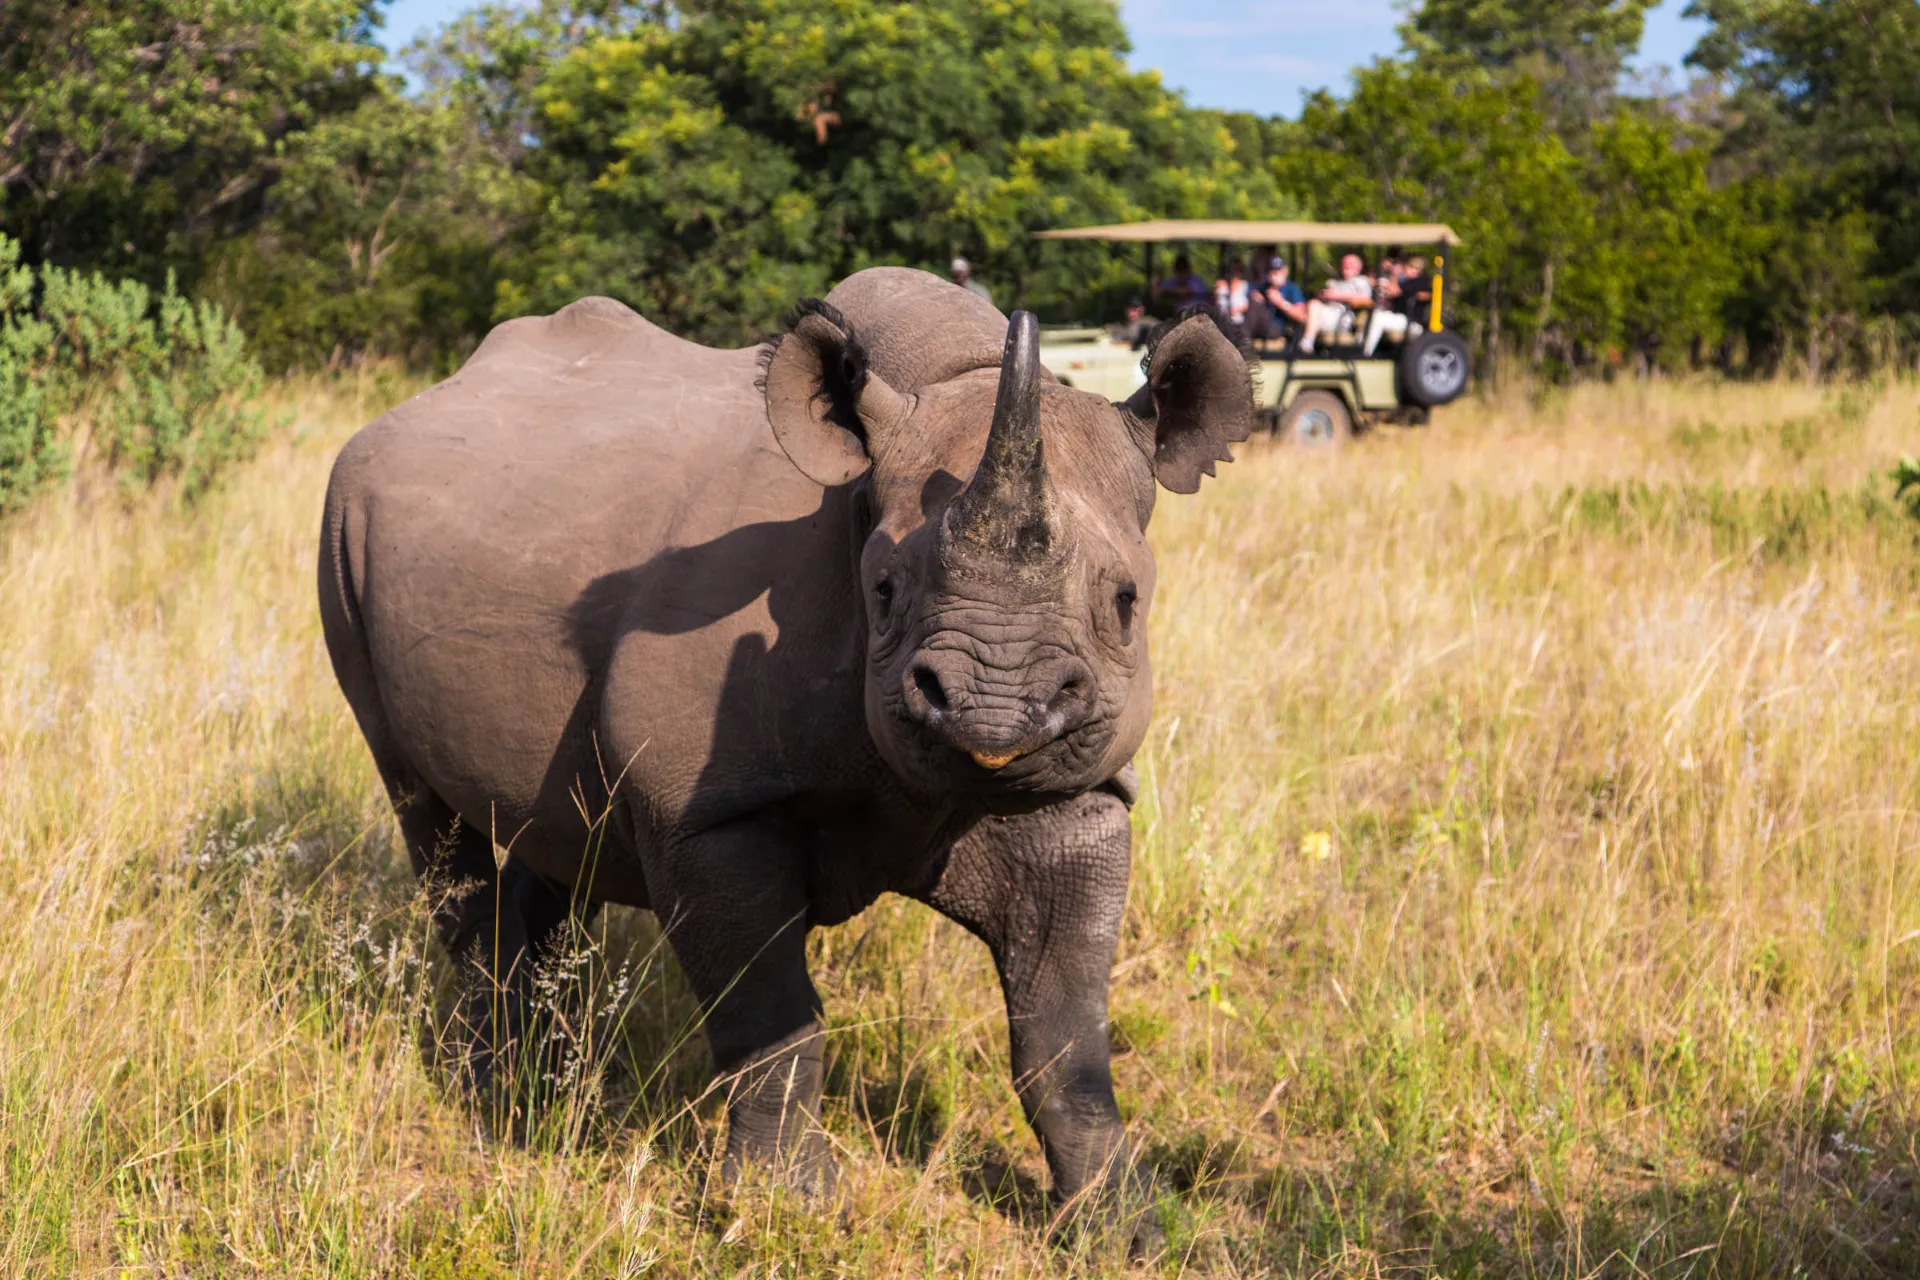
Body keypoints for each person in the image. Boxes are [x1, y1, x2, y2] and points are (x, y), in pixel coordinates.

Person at [1299, 252, 1373, 354]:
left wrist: (1337, 296)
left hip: (1341, 318)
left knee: (1312, 306)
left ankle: (1307, 342)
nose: (1346, 266)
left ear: (1358, 267)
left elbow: (1365, 299)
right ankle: (1299, 345)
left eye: (1350, 264)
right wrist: (1324, 295)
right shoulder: (1334, 281)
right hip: (1324, 313)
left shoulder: (1361, 281)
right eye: (1344, 263)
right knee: (1302, 309)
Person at [1363, 254, 1433, 356]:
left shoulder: (1420, 281)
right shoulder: (1407, 281)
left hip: (1413, 323)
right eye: (1409, 267)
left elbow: (1395, 291)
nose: (1411, 270)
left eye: (1415, 268)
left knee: (1378, 318)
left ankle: (1366, 354)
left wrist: (1393, 274)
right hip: (1403, 319)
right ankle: (1364, 349)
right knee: (1374, 314)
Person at [1246, 258, 1305, 345]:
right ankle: (1244, 340)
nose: (1274, 275)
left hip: (1278, 328)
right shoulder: (1263, 287)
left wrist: (1280, 303)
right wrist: (1255, 297)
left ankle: (1244, 342)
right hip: (1258, 325)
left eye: (1277, 272)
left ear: (1285, 271)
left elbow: (1301, 316)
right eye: (1272, 271)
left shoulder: (1292, 288)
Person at [1214, 258, 1252, 330]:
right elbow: (1214, 300)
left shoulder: (1246, 285)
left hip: (1239, 322)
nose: (1234, 272)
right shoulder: (1221, 285)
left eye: (1238, 269)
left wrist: (1235, 310)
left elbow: (1249, 304)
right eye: (1232, 269)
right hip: (1221, 321)